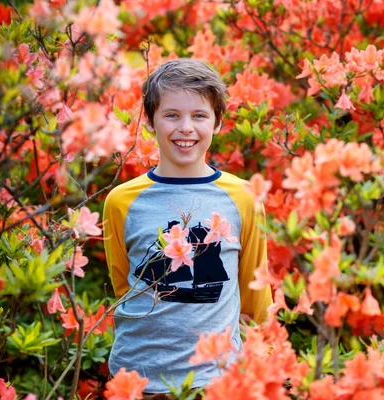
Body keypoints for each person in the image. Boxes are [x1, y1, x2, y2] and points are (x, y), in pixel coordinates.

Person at [103, 58, 272, 395]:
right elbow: (125, 285)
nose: (185, 128)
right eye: (171, 115)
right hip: (138, 380)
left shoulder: (243, 198)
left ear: (218, 123)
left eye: (199, 116)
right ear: (150, 121)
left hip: (216, 382)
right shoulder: (121, 202)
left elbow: (256, 292)